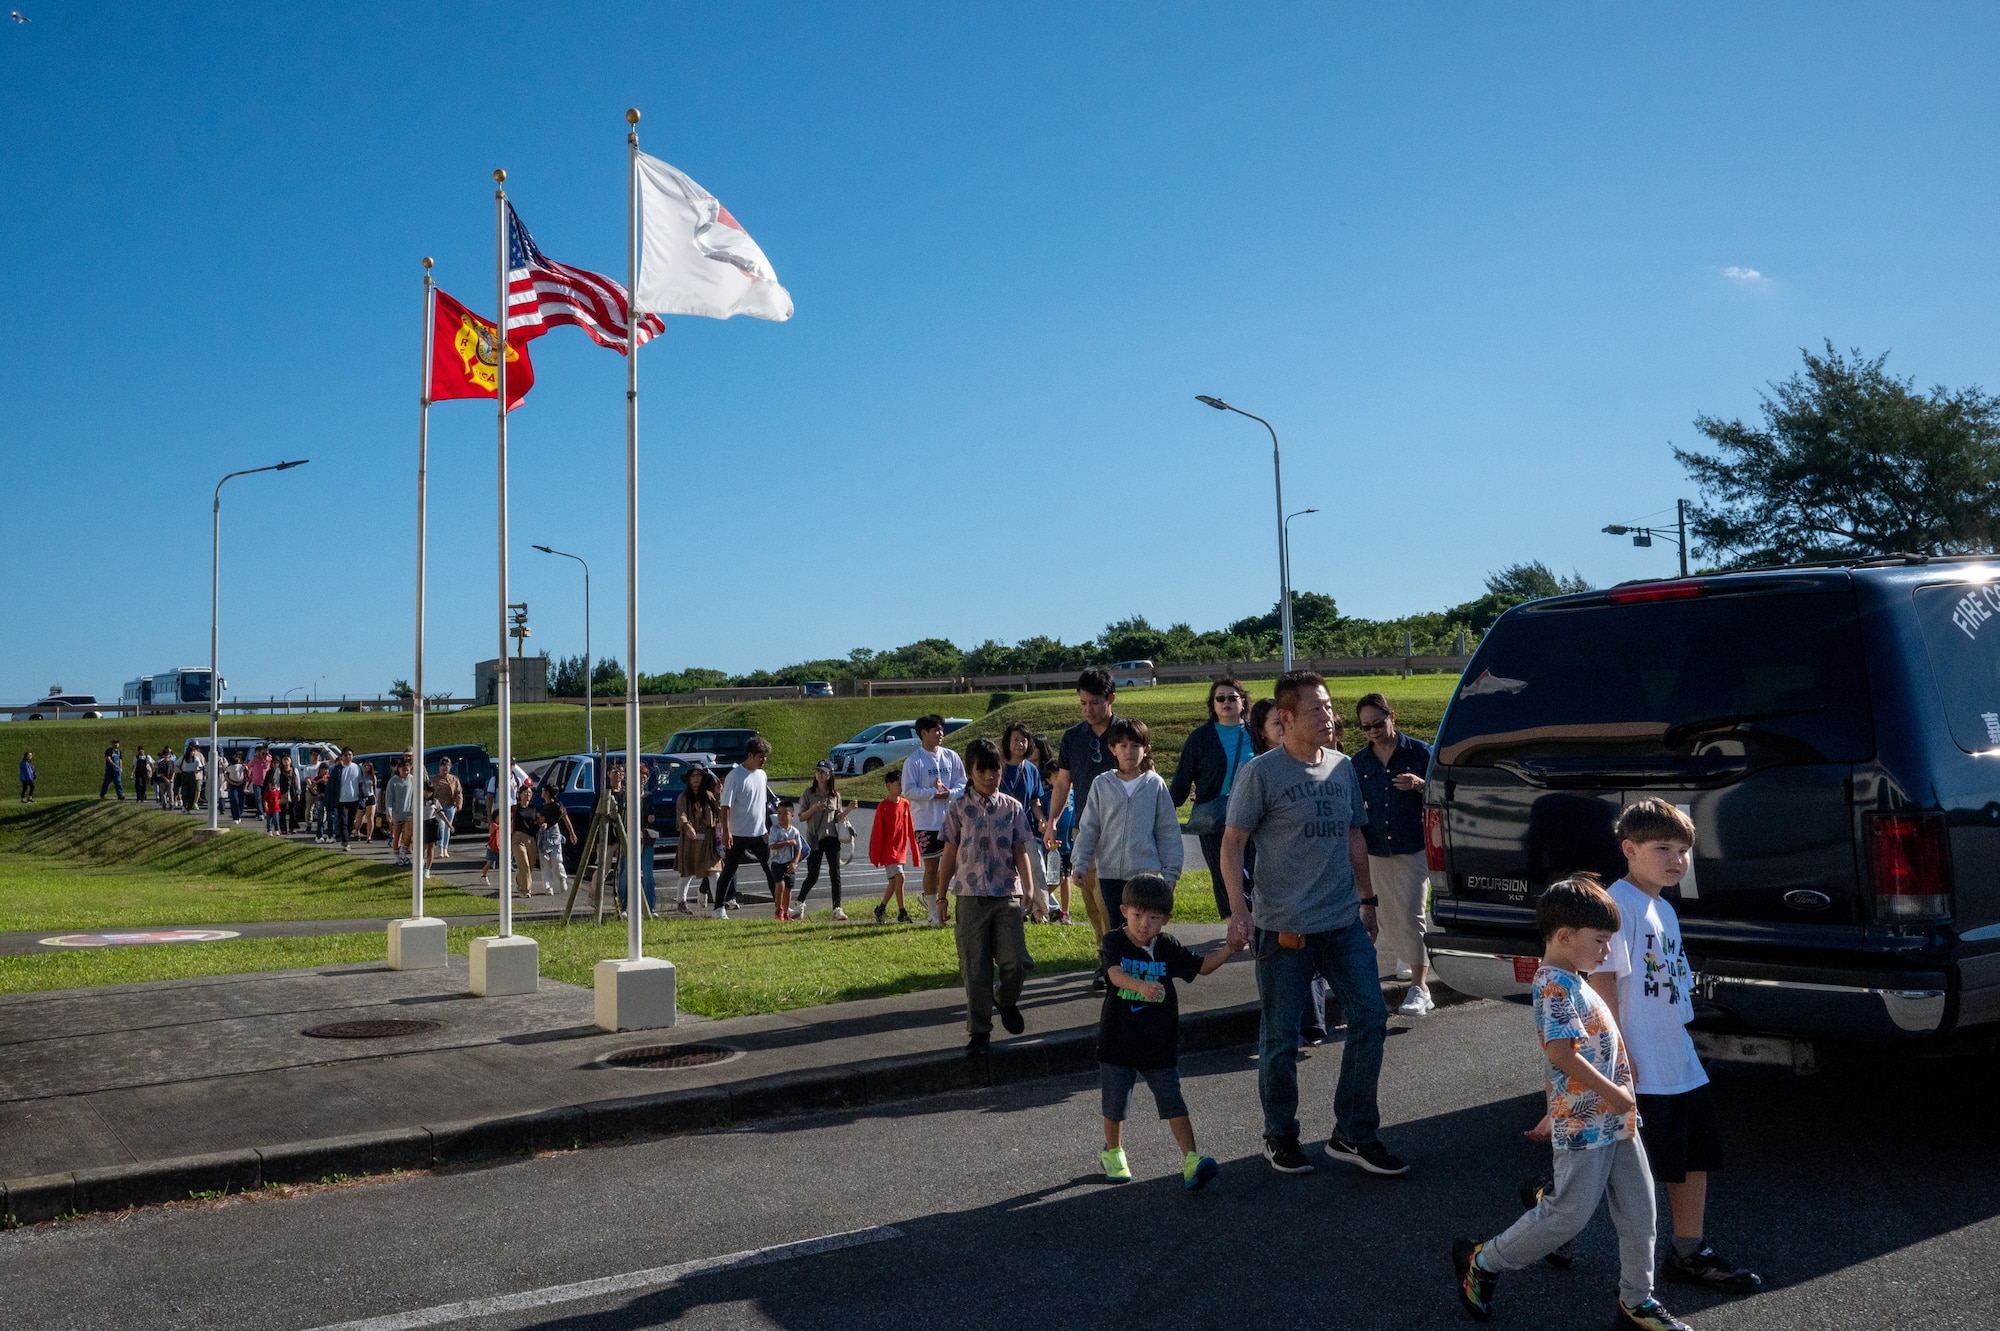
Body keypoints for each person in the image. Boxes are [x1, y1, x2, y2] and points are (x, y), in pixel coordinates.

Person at [1452, 875, 1691, 1331]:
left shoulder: (1575, 981)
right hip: (1587, 1123)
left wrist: (1609, 1103)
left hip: (1616, 1120)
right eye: (1600, 942)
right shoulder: (1553, 986)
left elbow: (1569, 1060)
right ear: (1564, 936)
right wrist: (1616, 1093)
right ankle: (1483, 1260)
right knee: (1568, 1217)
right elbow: (1561, 1053)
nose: (1606, 952)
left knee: (1641, 1212)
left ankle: (1636, 1303)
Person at [1221, 670, 1406, 1178]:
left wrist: (1367, 900)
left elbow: (1353, 835)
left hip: (1343, 923)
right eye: (1317, 709)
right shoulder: (1261, 773)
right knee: (1280, 1041)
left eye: (1329, 706)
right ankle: (1279, 1135)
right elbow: (1233, 841)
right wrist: (1240, 912)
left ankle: (1354, 1133)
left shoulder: (1344, 768)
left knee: (1371, 1018)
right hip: (1284, 931)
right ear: (1285, 717)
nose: (1329, 716)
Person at [1587, 799, 1763, 1296]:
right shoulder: (1616, 904)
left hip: (1676, 1056)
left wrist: (1686, 1041)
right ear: (1629, 849)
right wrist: (1618, 1054)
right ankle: (1552, 1207)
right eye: (1663, 848)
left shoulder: (1663, 907)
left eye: (1683, 850)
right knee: (1613, 1168)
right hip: (1639, 1060)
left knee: (1693, 1155)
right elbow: (1600, 985)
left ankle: (1689, 1253)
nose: (1676, 859)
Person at [1097, 872, 1239, 1187]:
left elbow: (1200, 967)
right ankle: (1114, 1151)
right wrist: (1142, 986)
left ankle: (1192, 1160)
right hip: (1117, 1040)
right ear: (1124, 912)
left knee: (1173, 1099)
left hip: (1158, 1042)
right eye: (1136, 915)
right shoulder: (1115, 941)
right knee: (1116, 1103)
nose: (1143, 923)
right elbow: (1115, 974)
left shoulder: (1167, 946)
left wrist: (1229, 949)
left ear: (1165, 920)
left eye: (1152, 917)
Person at [938, 738, 1037, 1056]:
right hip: (969, 896)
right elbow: (949, 852)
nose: (991, 775)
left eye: (996, 769)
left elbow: (1021, 849)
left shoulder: (1012, 807)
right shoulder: (957, 807)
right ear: (971, 771)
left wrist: (1031, 888)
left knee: (1017, 961)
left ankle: (1005, 998)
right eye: (983, 769)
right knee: (975, 968)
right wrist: (940, 896)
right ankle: (979, 1032)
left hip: (1006, 893)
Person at [1351, 692, 1436, 1017]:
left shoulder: (1419, 752)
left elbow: (1442, 789)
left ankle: (1420, 987)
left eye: (1378, 723)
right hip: (1376, 849)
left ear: (1392, 717)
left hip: (1412, 846)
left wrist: (1419, 784)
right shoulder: (1359, 763)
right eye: (1366, 727)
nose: (1372, 731)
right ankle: (1409, 958)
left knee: (1412, 912)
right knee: (1385, 915)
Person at [1071, 718, 1183, 932]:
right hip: (1110, 874)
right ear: (1112, 748)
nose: (1129, 751)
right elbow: (1089, 827)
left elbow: (1168, 831)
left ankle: (1144, 966)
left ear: (1146, 749)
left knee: (1144, 929)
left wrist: (1171, 874)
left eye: (1135, 746)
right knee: (1117, 929)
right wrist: (1080, 863)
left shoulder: (1155, 784)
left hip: (1145, 874)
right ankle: (1115, 966)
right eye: (1123, 746)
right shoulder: (1102, 784)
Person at [1046, 668, 1123, 951]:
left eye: (1094, 703)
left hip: (1119, 828)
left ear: (1111, 698)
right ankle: (1104, 948)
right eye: (1083, 703)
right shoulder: (1072, 737)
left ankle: (1111, 956)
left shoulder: (1126, 733)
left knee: (1108, 897)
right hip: (1084, 827)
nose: (1088, 709)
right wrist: (1053, 820)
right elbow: (1063, 782)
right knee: (1090, 896)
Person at [1170, 678, 1254, 919]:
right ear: (1213, 704)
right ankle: (1233, 923)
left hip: (1252, 816)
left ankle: (1254, 919)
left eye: (1232, 697)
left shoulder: (1254, 734)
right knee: (1223, 872)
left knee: (1253, 870)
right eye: (1220, 698)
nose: (1226, 702)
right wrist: (1162, 812)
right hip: (1214, 819)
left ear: (1243, 701)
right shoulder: (1200, 738)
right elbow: (1181, 782)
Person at [903, 714, 966, 926]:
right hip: (926, 823)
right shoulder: (914, 761)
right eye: (936, 730)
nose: (940, 734)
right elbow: (908, 790)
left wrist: (949, 793)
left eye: (941, 730)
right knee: (931, 867)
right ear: (924, 733)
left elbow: (963, 785)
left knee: (956, 866)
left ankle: (940, 901)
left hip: (952, 820)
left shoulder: (951, 756)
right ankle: (932, 911)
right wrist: (932, 793)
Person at [714, 736, 775, 919]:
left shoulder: (762, 775)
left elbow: (761, 803)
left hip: (759, 832)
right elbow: (725, 806)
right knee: (729, 870)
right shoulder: (735, 776)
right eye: (760, 757)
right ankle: (718, 908)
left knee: (771, 869)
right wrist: (726, 832)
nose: (764, 760)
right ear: (750, 755)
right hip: (738, 833)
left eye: (765, 757)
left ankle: (781, 907)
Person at [999, 723, 1050, 919]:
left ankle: (1039, 910)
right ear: (1007, 742)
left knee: (1036, 867)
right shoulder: (998, 765)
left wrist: (1042, 820)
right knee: (1006, 869)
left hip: (1026, 827)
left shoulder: (1031, 769)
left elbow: (1035, 801)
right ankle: (1011, 910)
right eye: (1015, 740)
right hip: (1001, 827)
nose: (1020, 744)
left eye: (1024, 740)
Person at [797, 762, 852, 920]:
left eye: (824, 772)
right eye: (818, 771)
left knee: (835, 873)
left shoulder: (835, 795)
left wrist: (849, 810)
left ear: (830, 775)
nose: (820, 774)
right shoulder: (808, 793)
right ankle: (799, 902)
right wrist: (813, 809)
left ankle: (837, 907)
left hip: (832, 837)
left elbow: (838, 817)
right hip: (815, 837)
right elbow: (801, 816)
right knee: (813, 875)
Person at [869, 769, 918, 924]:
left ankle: (881, 908)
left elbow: (910, 828)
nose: (901, 788)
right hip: (889, 851)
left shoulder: (905, 804)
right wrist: (876, 854)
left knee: (894, 882)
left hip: (900, 850)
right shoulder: (883, 806)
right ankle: (902, 911)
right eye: (898, 784)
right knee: (900, 877)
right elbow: (877, 833)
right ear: (888, 786)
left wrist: (915, 850)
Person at [675, 765, 722, 915]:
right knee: (687, 872)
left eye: (699, 776)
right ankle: (681, 901)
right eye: (693, 775)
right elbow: (681, 814)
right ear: (689, 779)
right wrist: (688, 827)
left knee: (714, 872)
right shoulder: (683, 797)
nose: (696, 778)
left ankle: (718, 905)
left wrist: (718, 795)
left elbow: (720, 811)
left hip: (707, 840)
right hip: (690, 841)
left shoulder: (708, 795)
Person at [533, 780, 575, 897]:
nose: (542, 792)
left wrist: (572, 834)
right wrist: (540, 823)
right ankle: (548, 886)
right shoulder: (541, 807)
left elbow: (566, 821)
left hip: (555, 835)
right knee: (544, 862)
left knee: (557, 860)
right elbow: (538, 820)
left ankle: (562, 878)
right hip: (543, 836)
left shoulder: (558, 807)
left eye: (543, 791)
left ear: (547, 792)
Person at [768, 802, 804, 920]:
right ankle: (778, 909)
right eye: (779, 813)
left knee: (788, 888)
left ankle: (786, 911)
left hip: (788, 863)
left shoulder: (795, 832)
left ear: (792, 816)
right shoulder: (774, 829)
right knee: (780, 886)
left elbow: (799, 848)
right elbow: (772, 845)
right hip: (777, 862)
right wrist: (787, 843)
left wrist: (795, 862)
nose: (781, 816)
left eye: (785, 813)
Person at [330, 748, 363, 850]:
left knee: (350, 822)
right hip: (341, 800)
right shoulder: (338, 769)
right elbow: (332, 785)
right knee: (343, 821)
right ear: (342, 757)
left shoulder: (356, 767)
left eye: (350, 755)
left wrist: (361, 795)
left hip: (354, 798)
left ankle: (347, 837)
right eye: (346, 755)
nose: (348, 757)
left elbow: (360, 782)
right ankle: (346, 842)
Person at [431, 758, 462, 858]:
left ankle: (445, 848)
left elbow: (458, 792)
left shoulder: (454, 779)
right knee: (441, 825)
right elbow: (430, 792)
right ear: (439, 768)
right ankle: (440, 848)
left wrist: (459, 803)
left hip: (450, 806)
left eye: (447, 769)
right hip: (438, 806)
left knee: (448, 827)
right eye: (443, 769)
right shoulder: (434, 779)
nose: (445, 771)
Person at [385, 759, 413, 865]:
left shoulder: (412, 779)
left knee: (408, 834)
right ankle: (397, 857)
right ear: (399, 769)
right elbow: (389, 796)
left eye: (408, 770)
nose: (407, 772)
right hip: (397, 812)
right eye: (404, 770)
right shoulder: (393, 781)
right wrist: (389, 811)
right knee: (397, 835)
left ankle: (403, 854)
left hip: (408, 812)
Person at [177, 743, 204, 813]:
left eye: (193, 751)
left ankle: (189, 808)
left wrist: (197, 770)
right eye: (191, 751)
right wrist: (180, 771)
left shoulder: (196, 758)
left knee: (192, 792)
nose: (192, 753)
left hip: (192, 775)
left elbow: (201, 766)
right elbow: (176, 764)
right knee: (185, 791)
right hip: (185, 775)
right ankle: (184, 806)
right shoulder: (183, 758)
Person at [357, 760, 379, 842]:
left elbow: (374, 788)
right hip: (362, 798)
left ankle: (369, 837)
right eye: (364, 766)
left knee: (370, 818)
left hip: (370, 797)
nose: (366, 767)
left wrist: (376, 798)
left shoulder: (372, 777)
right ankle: (357, 831)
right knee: (360, 818)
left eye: (368, 766)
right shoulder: (359, 776)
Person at [225, 751, 248, 822]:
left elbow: (247, 776)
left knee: (241, 801)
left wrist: (244, 784)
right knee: (234, 800)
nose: (237, 759)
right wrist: (230, 783)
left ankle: (239, 814)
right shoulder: (229, 767)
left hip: (242, 784)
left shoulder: (243, 766)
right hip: (232, 784)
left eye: (238, 757)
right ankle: (235, 817)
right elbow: (226, 776)